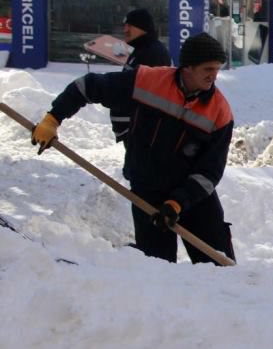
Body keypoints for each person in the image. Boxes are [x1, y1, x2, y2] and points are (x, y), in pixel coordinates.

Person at [30, 32, 236, 265]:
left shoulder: (219, 112)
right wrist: (53, 119)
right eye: (208, 69)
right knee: (156, 268)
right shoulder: (146, 81)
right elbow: (87, 87)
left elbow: (210, 171)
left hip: (194, 198)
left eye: (217, 69)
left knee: (219, 269)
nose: (214, 75)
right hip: (147, 192)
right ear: (188, 66)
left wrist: (178, 202)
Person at [113, 9, 172, 165]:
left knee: (144, 178)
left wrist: (136, 127)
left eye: (129, 25)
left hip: (142, 132)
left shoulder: (153, 53)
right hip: (133, 130)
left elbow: (153, 95)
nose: (125, 30)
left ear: (142, 28)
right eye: (124, 25)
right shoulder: (140, 51)